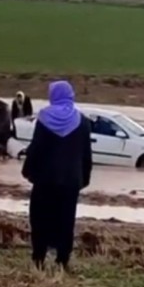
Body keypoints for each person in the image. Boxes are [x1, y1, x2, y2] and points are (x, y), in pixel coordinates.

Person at [21, 80, 92, 272]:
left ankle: (39, 259)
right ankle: (62, 260)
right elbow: (86, 154)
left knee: (40, 219)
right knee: (66, 220)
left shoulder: (44, 118)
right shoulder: (83, 121)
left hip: (45, 180)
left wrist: (28, 171)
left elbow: (36, 148)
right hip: (70, 181)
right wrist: (83, 179)